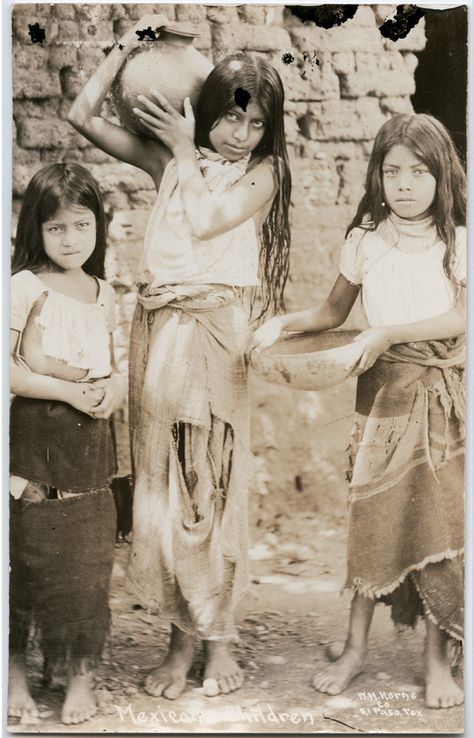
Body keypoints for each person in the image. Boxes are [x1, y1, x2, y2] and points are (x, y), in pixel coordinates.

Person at [68, 15, 291, 699]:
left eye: (254, 125)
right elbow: (80, 114)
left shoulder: (263, 175)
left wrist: (181, 147)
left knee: (210, 482)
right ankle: (178, 640)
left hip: (217, 336)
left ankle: (217, 641)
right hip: (161, 330)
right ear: (207, 109)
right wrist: (124, 49)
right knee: (163, 490)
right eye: (230, 118)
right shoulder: (171, 160)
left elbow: (204, 219)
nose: (240, 135)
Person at [251, 113, 465, 709]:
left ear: (441, 174)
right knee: (373, 520)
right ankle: (353, 648)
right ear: (376, 175)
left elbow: (461, 319)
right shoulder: (365, 241)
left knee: (439, 529)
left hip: (442, 400)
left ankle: (436, 661)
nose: (404, 184)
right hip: (381, 400)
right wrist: (281, 322)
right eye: (392, 171)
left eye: (418, 172)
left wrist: (388, 332)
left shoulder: (459, 240)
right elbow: (331, 313)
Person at [9, 163, 127, 725]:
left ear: (97, 226)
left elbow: (116, 363)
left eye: (82, 225)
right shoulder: (23, 288)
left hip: (89, 450)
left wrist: (113, 389)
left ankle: (80, 674)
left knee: (87, 564)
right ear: (36, 229)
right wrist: (73, 393)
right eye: (57, 228)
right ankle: (15, 677)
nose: (71, 239)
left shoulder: (103, 293)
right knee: (27, 561)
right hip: (37, 442)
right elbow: (9, 372)